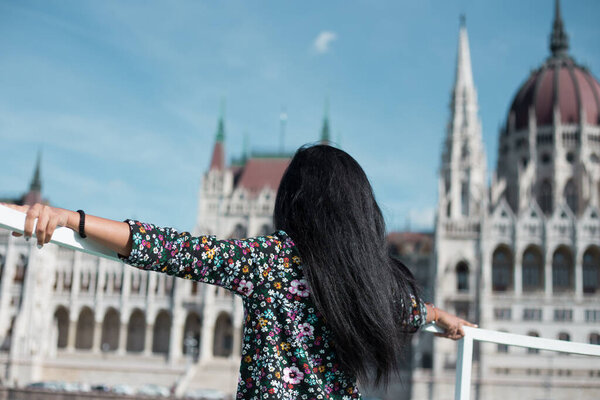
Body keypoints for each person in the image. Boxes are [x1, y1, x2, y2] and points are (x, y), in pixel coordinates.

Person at [3, 144, 475, 400]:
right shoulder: (365, 282)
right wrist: (444, 318)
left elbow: (167, 248)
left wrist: (74, 220)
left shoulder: (270, 260)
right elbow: (408, 309)